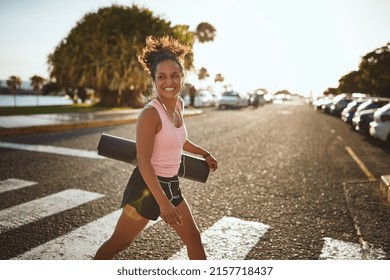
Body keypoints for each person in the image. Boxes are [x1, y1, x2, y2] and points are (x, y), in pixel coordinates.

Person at [93, 35, 218, 260]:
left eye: (174, 75)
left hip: (171, 184)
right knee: (120, 242)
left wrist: (204, 154)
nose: (168, 82)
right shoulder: (151, 114)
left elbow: (179, 141)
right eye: (161, 77)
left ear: (182, 77)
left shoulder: (178, 105)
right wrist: (163, 203)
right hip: (147, 186)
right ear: (154, 80)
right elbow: (144, 161)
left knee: (194, 240)